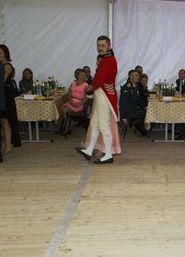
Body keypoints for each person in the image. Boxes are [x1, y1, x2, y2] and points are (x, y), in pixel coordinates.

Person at [76, 35, 118, 164]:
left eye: (103, 45)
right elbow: (99, 78)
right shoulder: (106, 59)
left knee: (104, 125)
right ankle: (89, 150)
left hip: (104, 95)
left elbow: (100, 79)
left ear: (109, 46)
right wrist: (93, 87)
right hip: (101, 93)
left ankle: (108, 155)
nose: (100, 48)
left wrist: (90, 88)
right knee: (94, 123)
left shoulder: (109, 60)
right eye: (98, 45)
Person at [0, 44, 21, 154]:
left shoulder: (7, 66)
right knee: (3, 120)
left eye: (0, 53)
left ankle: (8, 144)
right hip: (1, 94)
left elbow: (1, 81)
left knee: (6, 121)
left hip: (6, 95)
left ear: (5, 54)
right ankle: (7, 143)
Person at [56, 68, 89, 136]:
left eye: (84, 75)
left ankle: (66, 128)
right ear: (77, 75)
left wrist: (78, 104)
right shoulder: (73, 83)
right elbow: (69, 94)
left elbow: (86, 99)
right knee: (60, 109)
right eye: (81, 75)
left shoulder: (86, 85)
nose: (83, 77)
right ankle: (62, 128)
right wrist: (70, 101)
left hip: (79, 104)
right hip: (71, 102)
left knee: (64, 110)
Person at [119, 69, 147, 136]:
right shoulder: (127, 87)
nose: (138, 77)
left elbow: (138, 99)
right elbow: (122, 103)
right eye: (136, 75)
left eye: (138, 76)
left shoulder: (136, 86)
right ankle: (140, 126)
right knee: (146, 113)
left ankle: (141, 127)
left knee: (148, 111)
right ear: (131, 77)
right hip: (130, 111)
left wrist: (145, 106)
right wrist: (123, 117)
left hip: (135, 108)